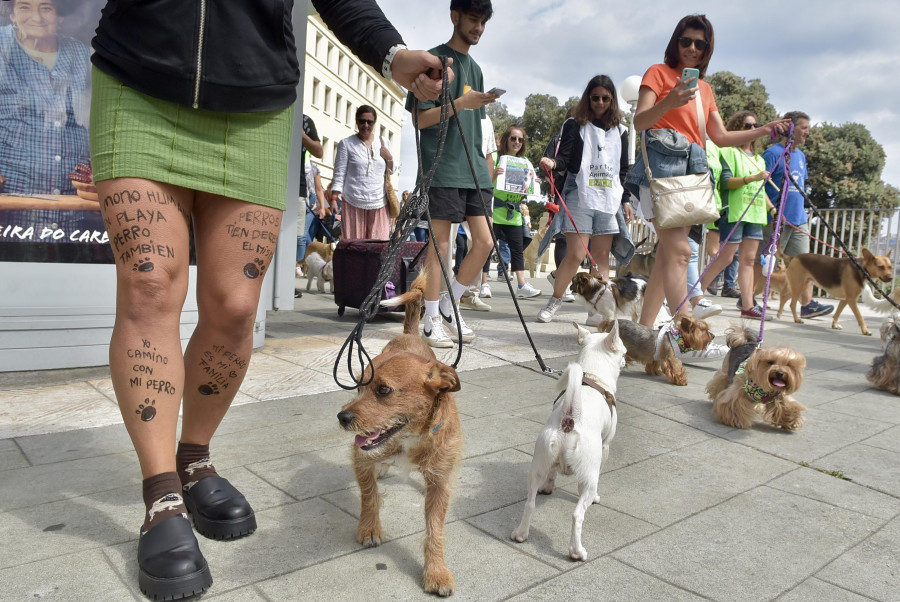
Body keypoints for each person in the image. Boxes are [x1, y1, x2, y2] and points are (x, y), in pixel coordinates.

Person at [88, 0, 454, 598]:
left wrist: (390, 51)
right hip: (141, 74)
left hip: (254, 101)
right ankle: (161, 494)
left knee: (234, 305)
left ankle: (195, 457)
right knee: (151, 286)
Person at [625, 15, 790, 351]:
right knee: (682, 252)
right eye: (686, 41)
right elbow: (640, 120)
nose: (692, 48)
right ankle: (689, 338)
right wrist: (670, 101)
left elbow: (720, 135)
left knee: (670, 257)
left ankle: (640, 338)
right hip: (658, 175)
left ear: (707, 50)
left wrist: (763, 130)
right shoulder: (657, 73)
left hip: (691, 177)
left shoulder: (704, 89)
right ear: (676, 42)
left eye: (700, 44)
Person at [405, 0, 499, 348]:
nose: (478, 27)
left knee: (486, 242)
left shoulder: (475, 68)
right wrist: (462, 103)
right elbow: (419, 119)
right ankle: (430, 320)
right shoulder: (433, 60)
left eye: (483, 22)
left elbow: (476, 126)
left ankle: (449, 303)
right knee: (440, 245)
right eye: (474, 19)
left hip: (473, 168)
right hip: (442, 166)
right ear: (455, 16)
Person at [536, 75, 635, 323]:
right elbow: (566, 158)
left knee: (601, 257)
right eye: (595, 97)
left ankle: (596, 309)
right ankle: (555, 300)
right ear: (587, 98)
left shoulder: (621, 132)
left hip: (608, 198)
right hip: (580, 194)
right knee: (576, 254)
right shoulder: (574, 124)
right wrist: (552, 162)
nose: (599, 102)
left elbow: (623, 171)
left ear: (612, 100)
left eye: (605, 98)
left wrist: (625, 200)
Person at [0, 0, 90, 196]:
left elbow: (96, 117)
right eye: (24, 6)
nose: (36, 17)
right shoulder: (2, 46)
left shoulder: (80, 53)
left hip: (74, 193)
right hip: (12, 192)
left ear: (59, 16)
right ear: (12, 14)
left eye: (46, 8)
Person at [698, 111, 777, 319]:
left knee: (749, 260)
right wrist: (752, 178)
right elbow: (726, 182)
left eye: (755, 125)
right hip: (734, 211)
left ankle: (748, 306)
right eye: (747, 126)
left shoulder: (759, 159)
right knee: (725, 257)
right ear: (737, 129)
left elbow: (761, 188)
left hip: (755, 213)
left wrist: (772, 209)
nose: (752, 129)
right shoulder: (729, 153)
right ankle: (696, 294)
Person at [761, 110, 834, 318]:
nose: (808, 133)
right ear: (791, 128)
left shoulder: (800, 156)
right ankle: (749, 297)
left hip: (799, 220)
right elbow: (760, 186)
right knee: (767, 262)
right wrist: (773, 210)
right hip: (776, 219)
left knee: (806, 263)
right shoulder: (773, 153)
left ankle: (807, 304)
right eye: (804, 128)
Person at [488, 125, 541, 298]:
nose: (517, 142)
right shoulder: (495, 157)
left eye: (520, 139)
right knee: (486, 248)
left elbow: (525, 189)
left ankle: (522, 285)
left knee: (517, 250)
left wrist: (534, 183)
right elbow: (484, 183)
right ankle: (483, 284)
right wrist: (494, 175)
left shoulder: (525, 162)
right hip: (494, 212)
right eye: (513, 138)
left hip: (514, 215)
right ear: (506, 139)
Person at [331, 105, 394, 240]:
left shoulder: (384, 142)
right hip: (353, 201)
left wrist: (389, 158)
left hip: (379, 202)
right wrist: (334, 198)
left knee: (379, 248)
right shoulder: (346, 144)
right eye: (362, 121)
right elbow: (339, 173)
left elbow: (392, 170)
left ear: (374, 123)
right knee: (355, 247)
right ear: (356, 121)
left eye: (369, 122)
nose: (365, 125)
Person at [296, 113, 324, 264]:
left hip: (299, 190)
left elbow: (319, 151)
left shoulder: (305, 121)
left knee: (300, 235)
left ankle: (296, 267)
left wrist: (322, 206)